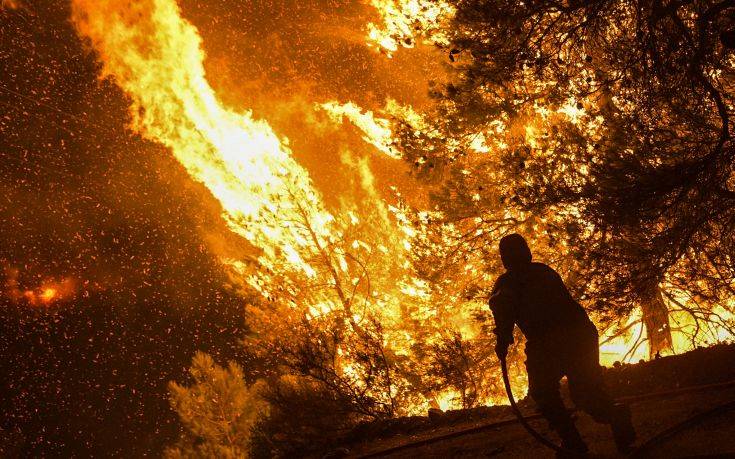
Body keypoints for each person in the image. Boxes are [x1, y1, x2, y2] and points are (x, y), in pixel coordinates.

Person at [489, 234, 636, 456]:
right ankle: (613, 418)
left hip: (556, 340)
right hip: (579, 335)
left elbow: (504, 311)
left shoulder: (508, 285)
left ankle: (574, 442)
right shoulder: (544, 271)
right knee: (585, 393)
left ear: (505, 258)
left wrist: (502, 341)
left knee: (544, 392)